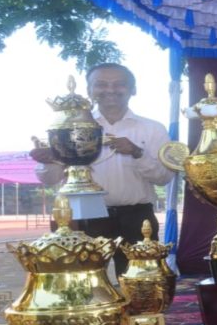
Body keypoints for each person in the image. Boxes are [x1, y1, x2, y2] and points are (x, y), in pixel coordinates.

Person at [31, 63, 175, 275]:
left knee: (141, 280)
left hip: (136, 217)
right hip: (83, 217)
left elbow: (164, 177)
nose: (110, 90)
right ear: (89, 90)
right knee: (84, 282)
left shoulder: (153, 129)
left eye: (119, 84)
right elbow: (49, 179)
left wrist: (137, 152)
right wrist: (51, 160)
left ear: (133, 89)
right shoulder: (67, 127)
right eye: (101, 84)